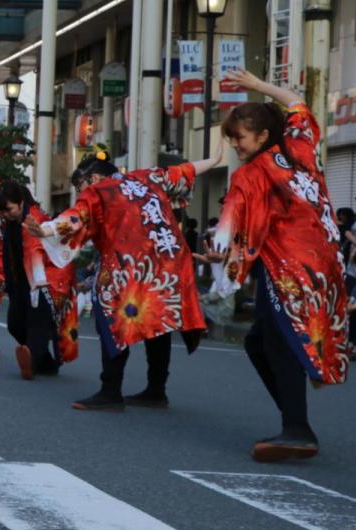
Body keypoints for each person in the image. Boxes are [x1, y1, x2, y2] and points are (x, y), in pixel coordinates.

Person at [209, 69, 350, 462]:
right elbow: (297, 104)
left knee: (276, 340)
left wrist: (217, 254)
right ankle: (296, 420)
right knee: (260, 340)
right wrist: (259, 88)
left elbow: (229, 225)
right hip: (324, 265)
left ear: (262, 136)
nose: (235, 144)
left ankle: (297, 428)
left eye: (239, 137)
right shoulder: (299, 150)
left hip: (287, 268)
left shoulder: (251, 175)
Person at [27, 147, 221, 411]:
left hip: (130, 265)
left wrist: (46, 229)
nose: (80, 192)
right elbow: (184, 170)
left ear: (93, 178)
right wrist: (215, 158)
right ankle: (156, 389)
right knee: (159, 322)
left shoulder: (99, 191)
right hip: (169, 262)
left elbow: (76, 218)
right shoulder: (146, 177)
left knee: (111, 319)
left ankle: (111, 390)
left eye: (80, 185)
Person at [0, 180, 77, 379]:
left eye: (8, 209)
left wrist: (38, 284)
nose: (5, 214)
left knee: (37, 324)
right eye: (2, 211)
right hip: (21, 280)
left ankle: (32, 361)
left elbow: (38, 252)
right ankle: (44, 362)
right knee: (15, 323)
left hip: (44, 281)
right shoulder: (12, 221)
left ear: (21, 202)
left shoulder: (35, 219)